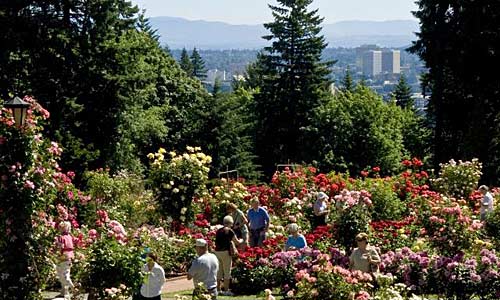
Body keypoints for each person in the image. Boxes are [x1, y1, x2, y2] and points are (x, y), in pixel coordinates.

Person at [214, 216, 243, 296]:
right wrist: (242, 240)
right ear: (231, 223)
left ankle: (218, 290)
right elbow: (237, 242)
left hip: (217, 252)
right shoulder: (229, 230)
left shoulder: (218, 230)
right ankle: (226, 290)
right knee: (227, 271)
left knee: (219, 272)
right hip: (226, 252)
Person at [55, 221, 75, 299]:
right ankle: (64, 292)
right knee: (65, 274)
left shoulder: (61, 237)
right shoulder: (69, 236)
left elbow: (61, 247)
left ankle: (74, 289)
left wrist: (56, 250)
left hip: (63, 257)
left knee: (63, 275)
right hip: (69, 257)